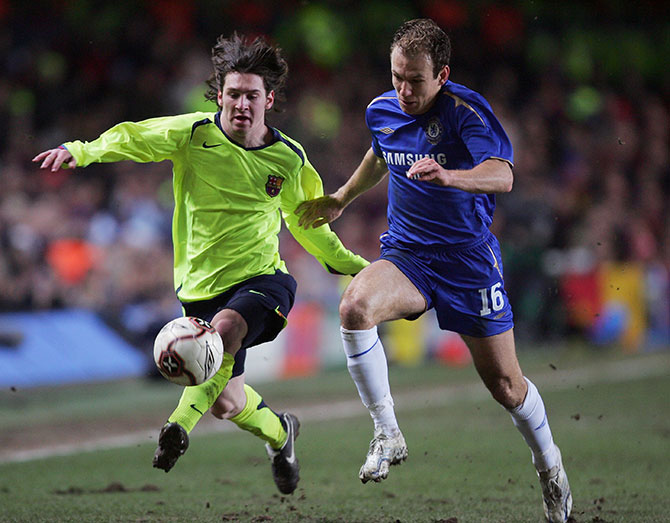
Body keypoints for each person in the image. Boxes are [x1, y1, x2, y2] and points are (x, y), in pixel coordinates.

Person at [33, 33, 368, 496]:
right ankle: (281, 433)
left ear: (268, 100)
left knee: (226, 330)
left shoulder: (288, 161)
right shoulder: (193, 135)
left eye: (252, 95)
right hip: (199, 291)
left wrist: (352, 265)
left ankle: (176, 427)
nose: (242, 105)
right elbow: (135, 137)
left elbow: (309, 224)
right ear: (220, 96)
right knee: (227, 402)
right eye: (233, 94)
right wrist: (84, 150)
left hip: (263, 281)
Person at [295, 18, 572, 522]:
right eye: (397, 76)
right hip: (409, 255)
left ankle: (549, 465)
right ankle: (387, 432)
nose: (403, 89)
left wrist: (451, 175)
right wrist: (341, 197)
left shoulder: (466, 112)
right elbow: (382, 152)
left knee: (507, 387)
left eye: (415, 80)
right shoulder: (382, 109)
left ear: (441, 75)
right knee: (355, 306)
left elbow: (503, 176)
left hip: (468, 262)